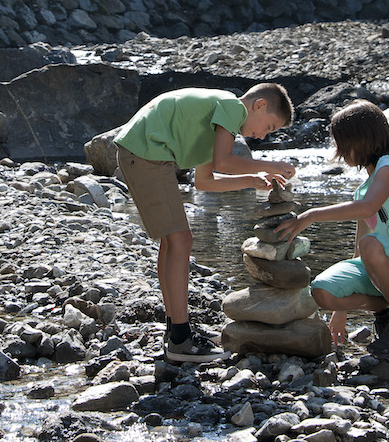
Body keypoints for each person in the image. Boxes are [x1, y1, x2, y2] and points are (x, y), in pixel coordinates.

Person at [114, 83, 297, 362]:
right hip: (146, 154)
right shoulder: (232, 106)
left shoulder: (213, 121)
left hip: (144, 152)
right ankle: (180, 339)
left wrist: (250, 180)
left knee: (173, 240)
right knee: (180, 240)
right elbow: (223, 162)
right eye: (269, 127)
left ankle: (175, 328)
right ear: (259, 105)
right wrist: (268, 165)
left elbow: (205, 181)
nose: (262, 135)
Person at [275, 99, 389, 360]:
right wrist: (341, 311)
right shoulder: (363, 190)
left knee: (371, 246)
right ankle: (388, 313)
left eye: (341, 144)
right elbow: (360, 248)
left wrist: (310, 216)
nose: (339, 152)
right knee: (322, 292)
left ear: (360, 141)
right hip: (384, 274)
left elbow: (368, 209)